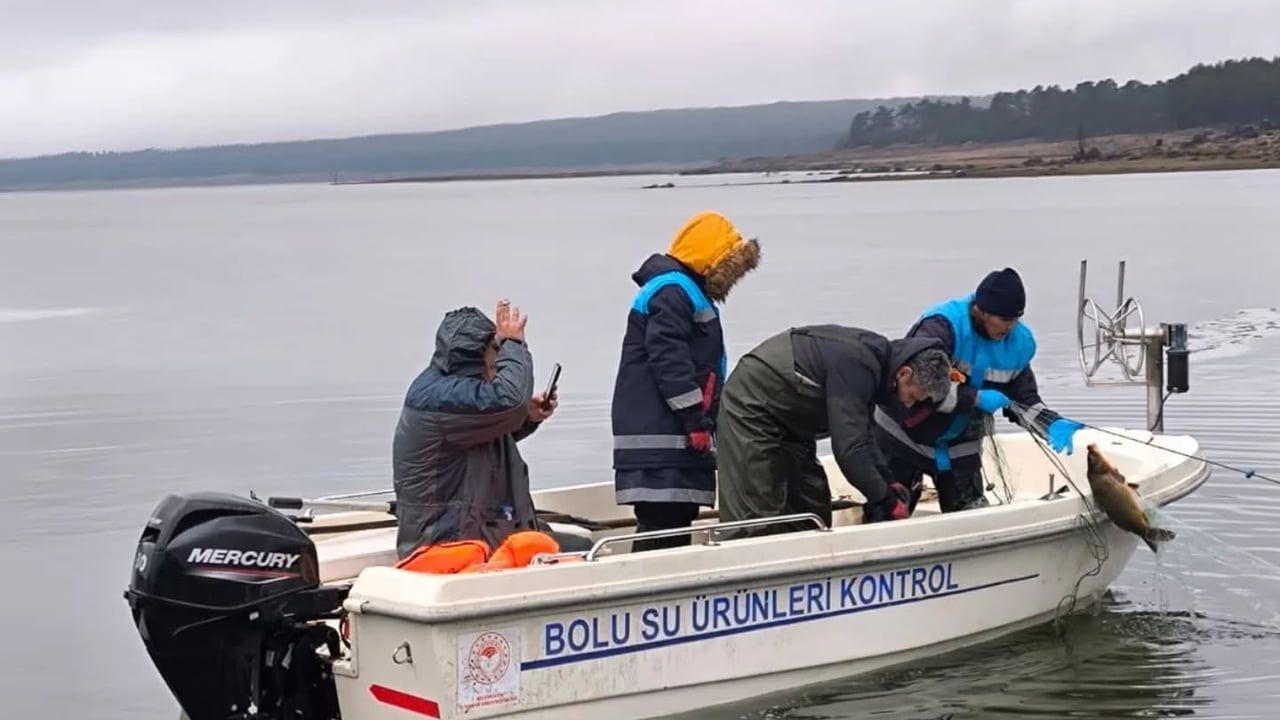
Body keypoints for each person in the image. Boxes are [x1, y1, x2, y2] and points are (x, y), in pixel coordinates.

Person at [872, 267, 1086, 513]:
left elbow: (1023, 399)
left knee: (971, 516)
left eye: (1016, 319)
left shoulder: (1019, 345)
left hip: (960, 447)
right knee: (889, 513)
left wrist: (1051, 423)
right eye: (1004, 319)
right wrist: (974, 398)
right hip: (902, 438)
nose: (1010, 327)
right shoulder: (942, 328)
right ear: (981, 311)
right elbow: (918, 388)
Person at [392, 299, 591, 559]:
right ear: (472, 361)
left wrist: (526, 418)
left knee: (576, 544)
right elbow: (509, 401)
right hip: (449, 544)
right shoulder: (440, 397)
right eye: (493, 363)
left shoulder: (454, 393)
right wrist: (514, 344)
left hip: (475, 532)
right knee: (579, 553)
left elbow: (484, 436)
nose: (494, 371)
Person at [610, 211, 761, 552]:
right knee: (663, 527)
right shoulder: (675, 292)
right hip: (664, 440)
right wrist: (695, 419)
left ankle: (652, 593)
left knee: (667, 523)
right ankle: (651, 596)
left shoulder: (677, 290)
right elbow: (670, 361)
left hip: (663, 440)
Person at [714, 324, 954, 538]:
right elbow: (849, 449)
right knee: (759, 514)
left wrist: (889, 481)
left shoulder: (879, 371)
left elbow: (864, 435)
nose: (909, 405)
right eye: (912, 396)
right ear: (904, 374)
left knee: (811, 509)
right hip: (750, 410)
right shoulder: (858, 363)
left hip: (792, 425)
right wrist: (886, 499)